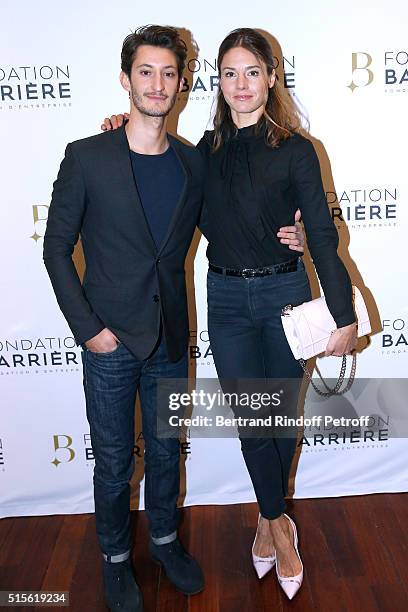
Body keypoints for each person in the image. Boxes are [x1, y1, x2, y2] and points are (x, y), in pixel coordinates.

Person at [44, 26, 303, 611]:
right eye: (145, 72)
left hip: (169, 340)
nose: (157, 84)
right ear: (125, 79)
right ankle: (114, 560)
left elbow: (248, 209)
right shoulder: (87, 156)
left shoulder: (195, 161)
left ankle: (164, 541)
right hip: (108, 340)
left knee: (165, 453)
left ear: (183, 84)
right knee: (114, 462)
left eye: (168, 74)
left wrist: (304, 230)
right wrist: (88, 329)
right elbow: (55, 249)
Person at [103, 27, 357, 601]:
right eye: (229, 73)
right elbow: (150, 169)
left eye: (252, 71)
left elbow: (320, 231)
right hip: (226, 301)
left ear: (271, 76)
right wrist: (121, 132)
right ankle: (281, 527)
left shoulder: (296, 149)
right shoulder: (201, 154)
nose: (241, 84)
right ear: (217, 83)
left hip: (286, 297)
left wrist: (342, 313)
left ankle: (271, 521)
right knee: (252, 420)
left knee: (282, 420)